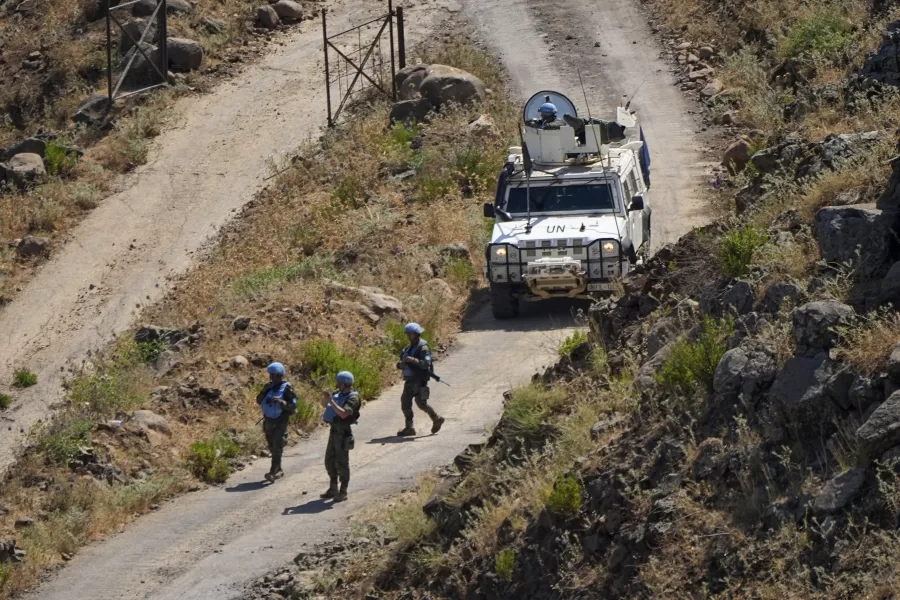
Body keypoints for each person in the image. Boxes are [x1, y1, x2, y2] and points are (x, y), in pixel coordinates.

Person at [396, 323, 445, 437]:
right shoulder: (408, 348)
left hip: (417, 379)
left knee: (406, 403)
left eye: (411, 334)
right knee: (421, 403)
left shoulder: (423, 347)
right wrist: (400, 365)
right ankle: (436, 419)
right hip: (411, 378)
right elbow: (401, 362)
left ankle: (409, 427)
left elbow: (425, 364)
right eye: (407, 334)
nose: (408, 336)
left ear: (416, 334)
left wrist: (413, 360)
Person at [320, 371, 361, 502]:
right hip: (334, 431)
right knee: (329, 461)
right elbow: (324, 405)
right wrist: (327, 398)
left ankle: (343, 491)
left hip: (343, 433)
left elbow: (344, 414)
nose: (337, 384)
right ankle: (333, 488)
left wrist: (331, 401)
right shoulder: (338, 394)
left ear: (345, 384)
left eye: (339, 382)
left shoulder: (353, 398)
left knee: (342, 463)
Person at [256, 362, 298, 482]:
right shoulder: (268, 387)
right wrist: (264, 392)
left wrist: (281, 402)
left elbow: (293, 406)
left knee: (277, 445)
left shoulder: (287, 388)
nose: (274, 378)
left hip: (281, 420)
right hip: (269, 420)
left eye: (276, 375)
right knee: (271, 445)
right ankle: (278, 469)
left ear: (281, 376)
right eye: (272, 375)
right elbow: (259, 401)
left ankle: (272, 471)